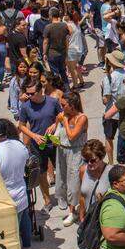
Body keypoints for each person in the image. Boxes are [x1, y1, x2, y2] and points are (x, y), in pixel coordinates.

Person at [0, 119, 34, 249]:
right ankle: (27, 246)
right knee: (25, 219)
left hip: (6, 198)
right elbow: (27, 159)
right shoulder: (18, 144)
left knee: (10, 229)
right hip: (21, 192)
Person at [18, 79, 61, 213]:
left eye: (32, 94)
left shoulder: (52, 102)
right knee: (42, 173)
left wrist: (55, 124)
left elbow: (61, 115)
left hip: (53, 142)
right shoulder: (26, 107)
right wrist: (34, 136)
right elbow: (21, 126)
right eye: (27, 94)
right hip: (38, 144)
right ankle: (47, 200)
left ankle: (62, 196)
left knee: (60, 169)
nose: (29, 96)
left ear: (40, 90)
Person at [53, 90, 88, 220]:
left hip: (76, 152)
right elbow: (57, 129)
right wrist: (56, 124)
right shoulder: (63, 115)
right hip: (62, 150)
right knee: (62, 178)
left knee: (74, 182)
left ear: (72, 105)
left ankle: (72, 211)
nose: (61, 107)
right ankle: (65, 202)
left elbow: (72, 136)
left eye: (64, 105)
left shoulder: (82, 118)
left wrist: (65, 121)